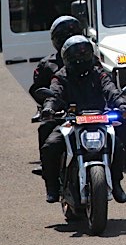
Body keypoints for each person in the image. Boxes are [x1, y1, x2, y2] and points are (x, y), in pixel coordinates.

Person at [40, 36, 126, 204]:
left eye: (84, 55)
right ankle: (52, 186)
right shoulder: (61, 76)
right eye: (75, 56)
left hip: (99, 119)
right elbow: (54, 94)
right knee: (50, 146)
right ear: (67, 58)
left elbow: (111, 89)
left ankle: (116, 183)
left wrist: (122, 104)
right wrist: (49, 108)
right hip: (71, 121)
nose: (80, 59)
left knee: (117, 146)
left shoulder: (98, 73)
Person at [30, 16, 85, 165]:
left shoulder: (90, 61)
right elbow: (38, 90)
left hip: (89, 112)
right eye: (64, 37)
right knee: (47, 131)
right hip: (61, 114)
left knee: (116, 137)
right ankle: (49, 174)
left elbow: (106, 85)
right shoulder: (48, 65)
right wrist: (49, 108)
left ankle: (116, 183)